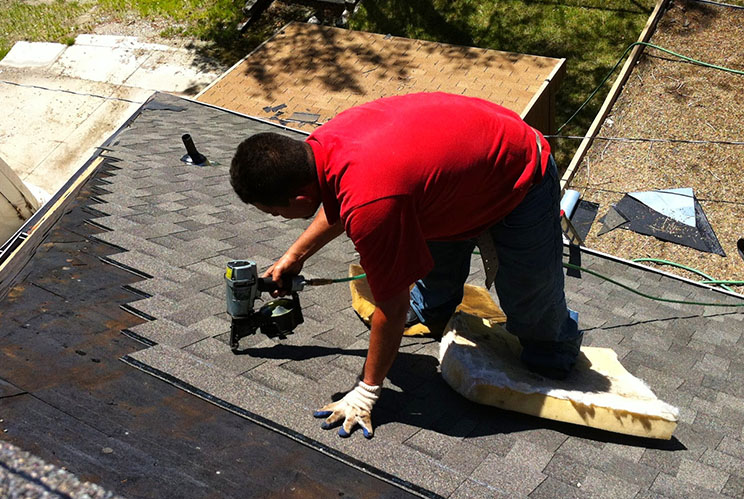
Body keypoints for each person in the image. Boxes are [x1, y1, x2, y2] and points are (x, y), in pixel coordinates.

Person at [229, 92, 582, 439]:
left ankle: (552, 346)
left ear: (300, 197)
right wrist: (295, 256)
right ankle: (433, 307)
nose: (276, 217)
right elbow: (349, 196)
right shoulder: (319, 148)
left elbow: (391, 305)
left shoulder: (373, 199)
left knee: (529, 295)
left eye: (274, 211)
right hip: (450, 177)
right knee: (429, 251)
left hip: (518, 169)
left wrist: (366, 391)